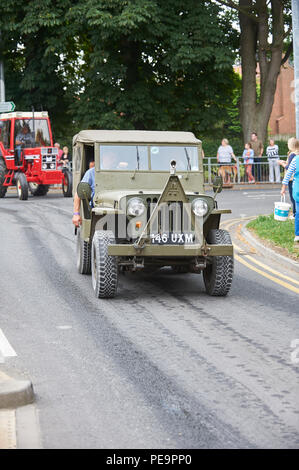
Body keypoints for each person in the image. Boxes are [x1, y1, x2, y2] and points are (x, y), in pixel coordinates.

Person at [280, 138, 299, 242]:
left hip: (297, 189)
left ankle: (297, 235)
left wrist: (283, 188)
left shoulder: (295, 159)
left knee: (298, 213)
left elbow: (287, 175)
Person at [279, 137, 298, 219]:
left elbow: (289, 168)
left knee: (293, 197)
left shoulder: (292, 155)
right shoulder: (296, 153)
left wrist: (282, 164)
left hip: (291, 179)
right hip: (295, 178)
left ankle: (295, 214)